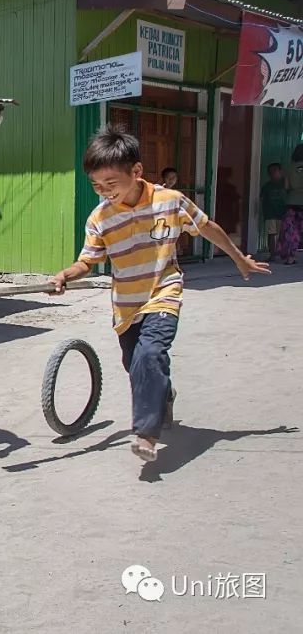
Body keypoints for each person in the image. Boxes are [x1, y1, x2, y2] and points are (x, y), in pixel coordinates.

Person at [49, 126, 269, 463]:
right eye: (97, 185)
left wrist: (239, 259)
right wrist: (67, 274)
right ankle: (163, 392)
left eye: (111, 184)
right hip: (125, 306)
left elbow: (207, 227)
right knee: (135, 364)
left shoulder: (170, 201)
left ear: (136, 172)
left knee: (149, 355)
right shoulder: (100, 218)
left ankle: (146, 434)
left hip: (164, 292)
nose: (105, 192)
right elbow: (88, 261)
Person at [276, 144, 303, 265]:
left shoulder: (290, 167)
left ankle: (290, 256)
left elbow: (286, 186)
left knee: (291, 231)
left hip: (292, 202)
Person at [261, 163, 287, 262]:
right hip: (270, 213)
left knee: (283, 234)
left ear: (280, 171)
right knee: (271, 234)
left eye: (275, 170)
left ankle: (284, 254)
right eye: (271, 171)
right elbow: (262, 199)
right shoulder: (267, 186)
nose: (273, 173)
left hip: (283, 212)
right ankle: (272, 255)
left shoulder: (285, 183)